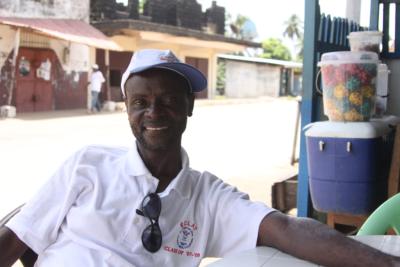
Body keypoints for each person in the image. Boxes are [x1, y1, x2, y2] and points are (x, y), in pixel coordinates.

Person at [0, 49, 399, 267]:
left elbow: (288, 230)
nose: (153, 112)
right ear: (126, 110)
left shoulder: (207, 197)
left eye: (168, 100)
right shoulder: (88, 165)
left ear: (189, 106)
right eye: (140, 102)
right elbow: (16, 238)